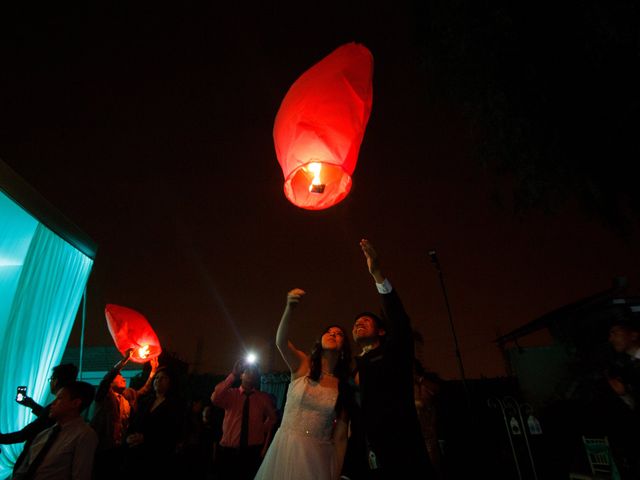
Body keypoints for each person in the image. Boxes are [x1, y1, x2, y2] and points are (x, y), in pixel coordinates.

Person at [349, 239, 434, 478]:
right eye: (356, 323)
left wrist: (377, 274)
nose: (359, 323)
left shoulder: (394, 353)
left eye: (366, 321)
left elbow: (400, 321)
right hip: (369, 453)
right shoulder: (353, 367)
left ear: (382, 331)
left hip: (404, 449)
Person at [255, 289, 353, 480]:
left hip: (318, 458)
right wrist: (289, 308)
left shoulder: (343, 387)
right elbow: (281, 342)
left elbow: (340, 438)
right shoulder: (303, 364)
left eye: (339, 334)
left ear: (343, 350)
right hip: (285, 449)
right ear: (320, 341)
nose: (333, 334)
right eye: (329, 332)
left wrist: (336, 473)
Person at [90, 349, 158, 479]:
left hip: (120, 448)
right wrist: (124, 360)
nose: (123, 378)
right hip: (102, 447)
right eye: (119, 376)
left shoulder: (127, 397)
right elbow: (106, 379)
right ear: (111, 382)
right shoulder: (104, 397)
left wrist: (153, 371)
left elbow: (145, 389)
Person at [12, 380, 98, 480]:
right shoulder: (45, 433)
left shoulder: (84, 435)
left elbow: (81, 475)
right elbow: (24, 468)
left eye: (59, 398)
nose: (53, 403)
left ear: (75, 403)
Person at [0, 364, 78, 474]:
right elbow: (47, 419)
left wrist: (1, 438)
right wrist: (32, 405)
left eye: (51, 379)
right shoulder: (69, 415)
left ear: (56, 381)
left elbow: (25, 434)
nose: (50, 382)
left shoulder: (53, 410)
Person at [211, 361, 277, 479]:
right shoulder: (231, 394)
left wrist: (261, 429)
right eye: (247, 370)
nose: (251, 373)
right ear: (241, 375)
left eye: (253, 371)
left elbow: (273, 418)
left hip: (252, 451)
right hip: (229, 450)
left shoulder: (263, 398)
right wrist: (233, 375)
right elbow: (215, 398)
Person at [124, 365, 184, 477]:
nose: (158, 380)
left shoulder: (175, 405)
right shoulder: (146, 401)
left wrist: (146, 438)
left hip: (157, 456)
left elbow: (172, 431)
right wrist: (129, 437)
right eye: (156, 378)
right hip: (137, 453)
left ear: (171, 382)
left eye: (163, 378)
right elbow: (135, 422)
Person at [605, 314, 640, 478]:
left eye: (615, 332)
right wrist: (624, 394)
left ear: (633, 334)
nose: (611, 339)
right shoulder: (625, 367)